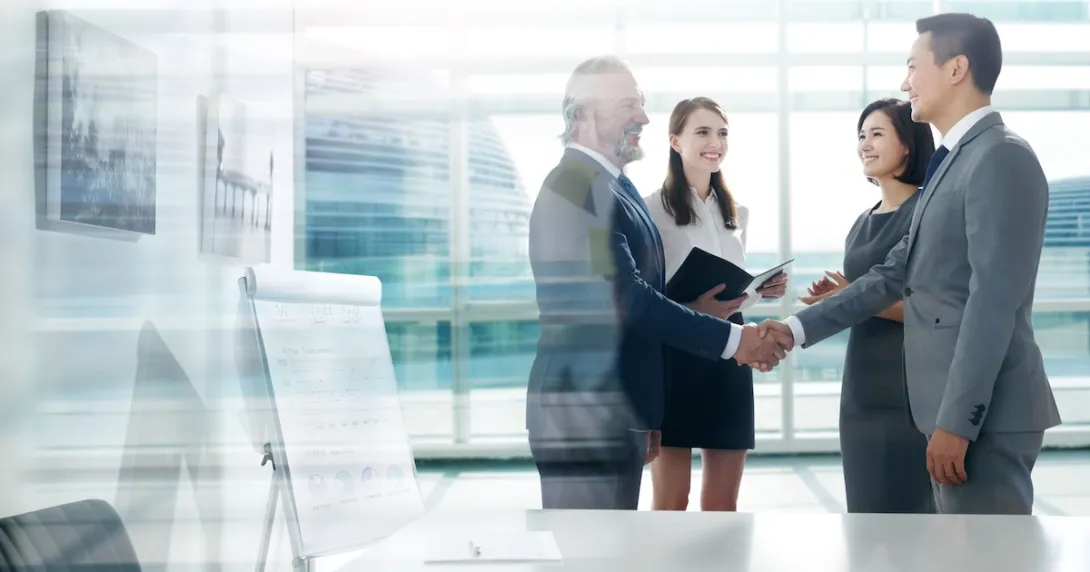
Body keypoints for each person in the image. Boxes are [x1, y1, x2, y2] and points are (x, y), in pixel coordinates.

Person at [757, 13, 1062, 515]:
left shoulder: (1000, 157)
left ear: (956, 68)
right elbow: (889, 276)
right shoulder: (954, 162)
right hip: (946, 413)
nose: (905, 82)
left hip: (983, 418)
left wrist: (958, 423)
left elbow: (993, 303)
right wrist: (792, 329)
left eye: (913, 66)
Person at [525, 56, 789, 511]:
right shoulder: (573, 185)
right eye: (629, 104)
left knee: (617, 549)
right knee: (591, 554)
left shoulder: (615, 186)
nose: (643, 117)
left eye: (642, 104)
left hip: (619, 410)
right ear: (585, 113)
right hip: (585, 415)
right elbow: (624, 297)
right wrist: (733, 339)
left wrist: (646, 412)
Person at [646, 97, 788, 511]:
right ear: (675, 141)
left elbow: (731, 291)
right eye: (703, 132)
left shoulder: (737, 213)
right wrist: (693, 307)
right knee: (672, 501)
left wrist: (763, 290)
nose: (716, 142)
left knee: (723, 506)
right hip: (678, 354)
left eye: (722, 133)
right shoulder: (651, 208)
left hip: (729, 353)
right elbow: (643, 293)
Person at [798, 97, 935, 513]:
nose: (865, 144)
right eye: (861, 135)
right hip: (861, 388)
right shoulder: (863, 218)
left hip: (911, 388)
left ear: (907, 144)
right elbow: (865, 293)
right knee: (864, 517)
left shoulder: (926, 211)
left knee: (911, 520)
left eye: (877, 134)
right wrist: (842, 294)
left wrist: (850, 297)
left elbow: (927, 309)